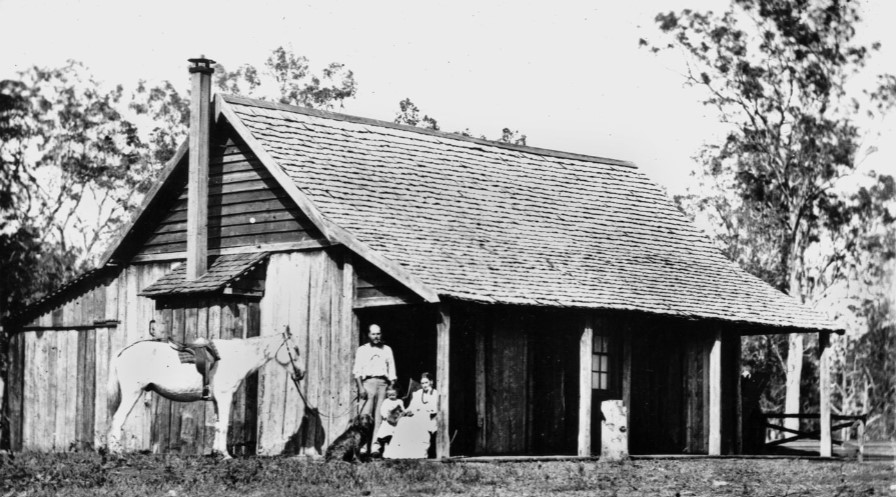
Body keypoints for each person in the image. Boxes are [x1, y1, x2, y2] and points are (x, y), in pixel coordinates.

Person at [352, 324, 397, 451]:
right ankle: (363, 447)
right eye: (373, 334)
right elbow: (357, 371)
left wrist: (391, 386)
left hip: (383, 384)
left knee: (380, 417)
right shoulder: (362, 350)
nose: (376, 336)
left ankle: (375, 447)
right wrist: (361, 388)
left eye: (378, 334)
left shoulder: (387, 349)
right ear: (368, 335)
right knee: (365, 416)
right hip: (368, 384)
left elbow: (392, 370)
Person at [383, 372, 438, 459]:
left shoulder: (435, 394)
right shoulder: (418, 393)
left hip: (428, 417)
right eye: (422, 383)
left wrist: (424, 411)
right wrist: (408, 411)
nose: (424, 385)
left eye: (426, 383)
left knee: (419, 424)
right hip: (416, 415)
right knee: (403, 421)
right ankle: (401, 454)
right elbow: (411, 407)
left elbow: (435, 409)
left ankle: (417, 454)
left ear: (431, 382)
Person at [373, 386, 405, 455]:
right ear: (387, 395)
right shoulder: (386, 401)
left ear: (397, 394)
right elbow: (382, 409)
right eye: (389, 395)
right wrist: (385, 416)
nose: (391, 396)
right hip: (387, 422)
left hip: (396, 421)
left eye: (393, 395)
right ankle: (377, 449)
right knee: (383, 435)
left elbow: (402, 410)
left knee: (393, 436)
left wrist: (403, 413)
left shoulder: (399, 401)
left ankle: (391, 451)